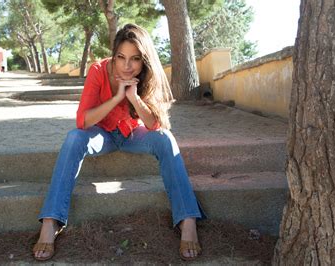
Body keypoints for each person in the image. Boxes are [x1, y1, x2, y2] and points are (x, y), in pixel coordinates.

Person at [32, 23, 205, 261]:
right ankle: (51, 222)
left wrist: (134, 98)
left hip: (133, 135)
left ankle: (187, 221)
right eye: (121, 57)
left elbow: (155, 124)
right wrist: (116, 98)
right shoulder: (98, 70)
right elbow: (82, 121)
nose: (126, 66)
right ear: (114, 55)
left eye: (134, 59)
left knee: (166, 139)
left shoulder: (148, 76)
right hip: (101, 136)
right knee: (73, 139)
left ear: (144, 61)